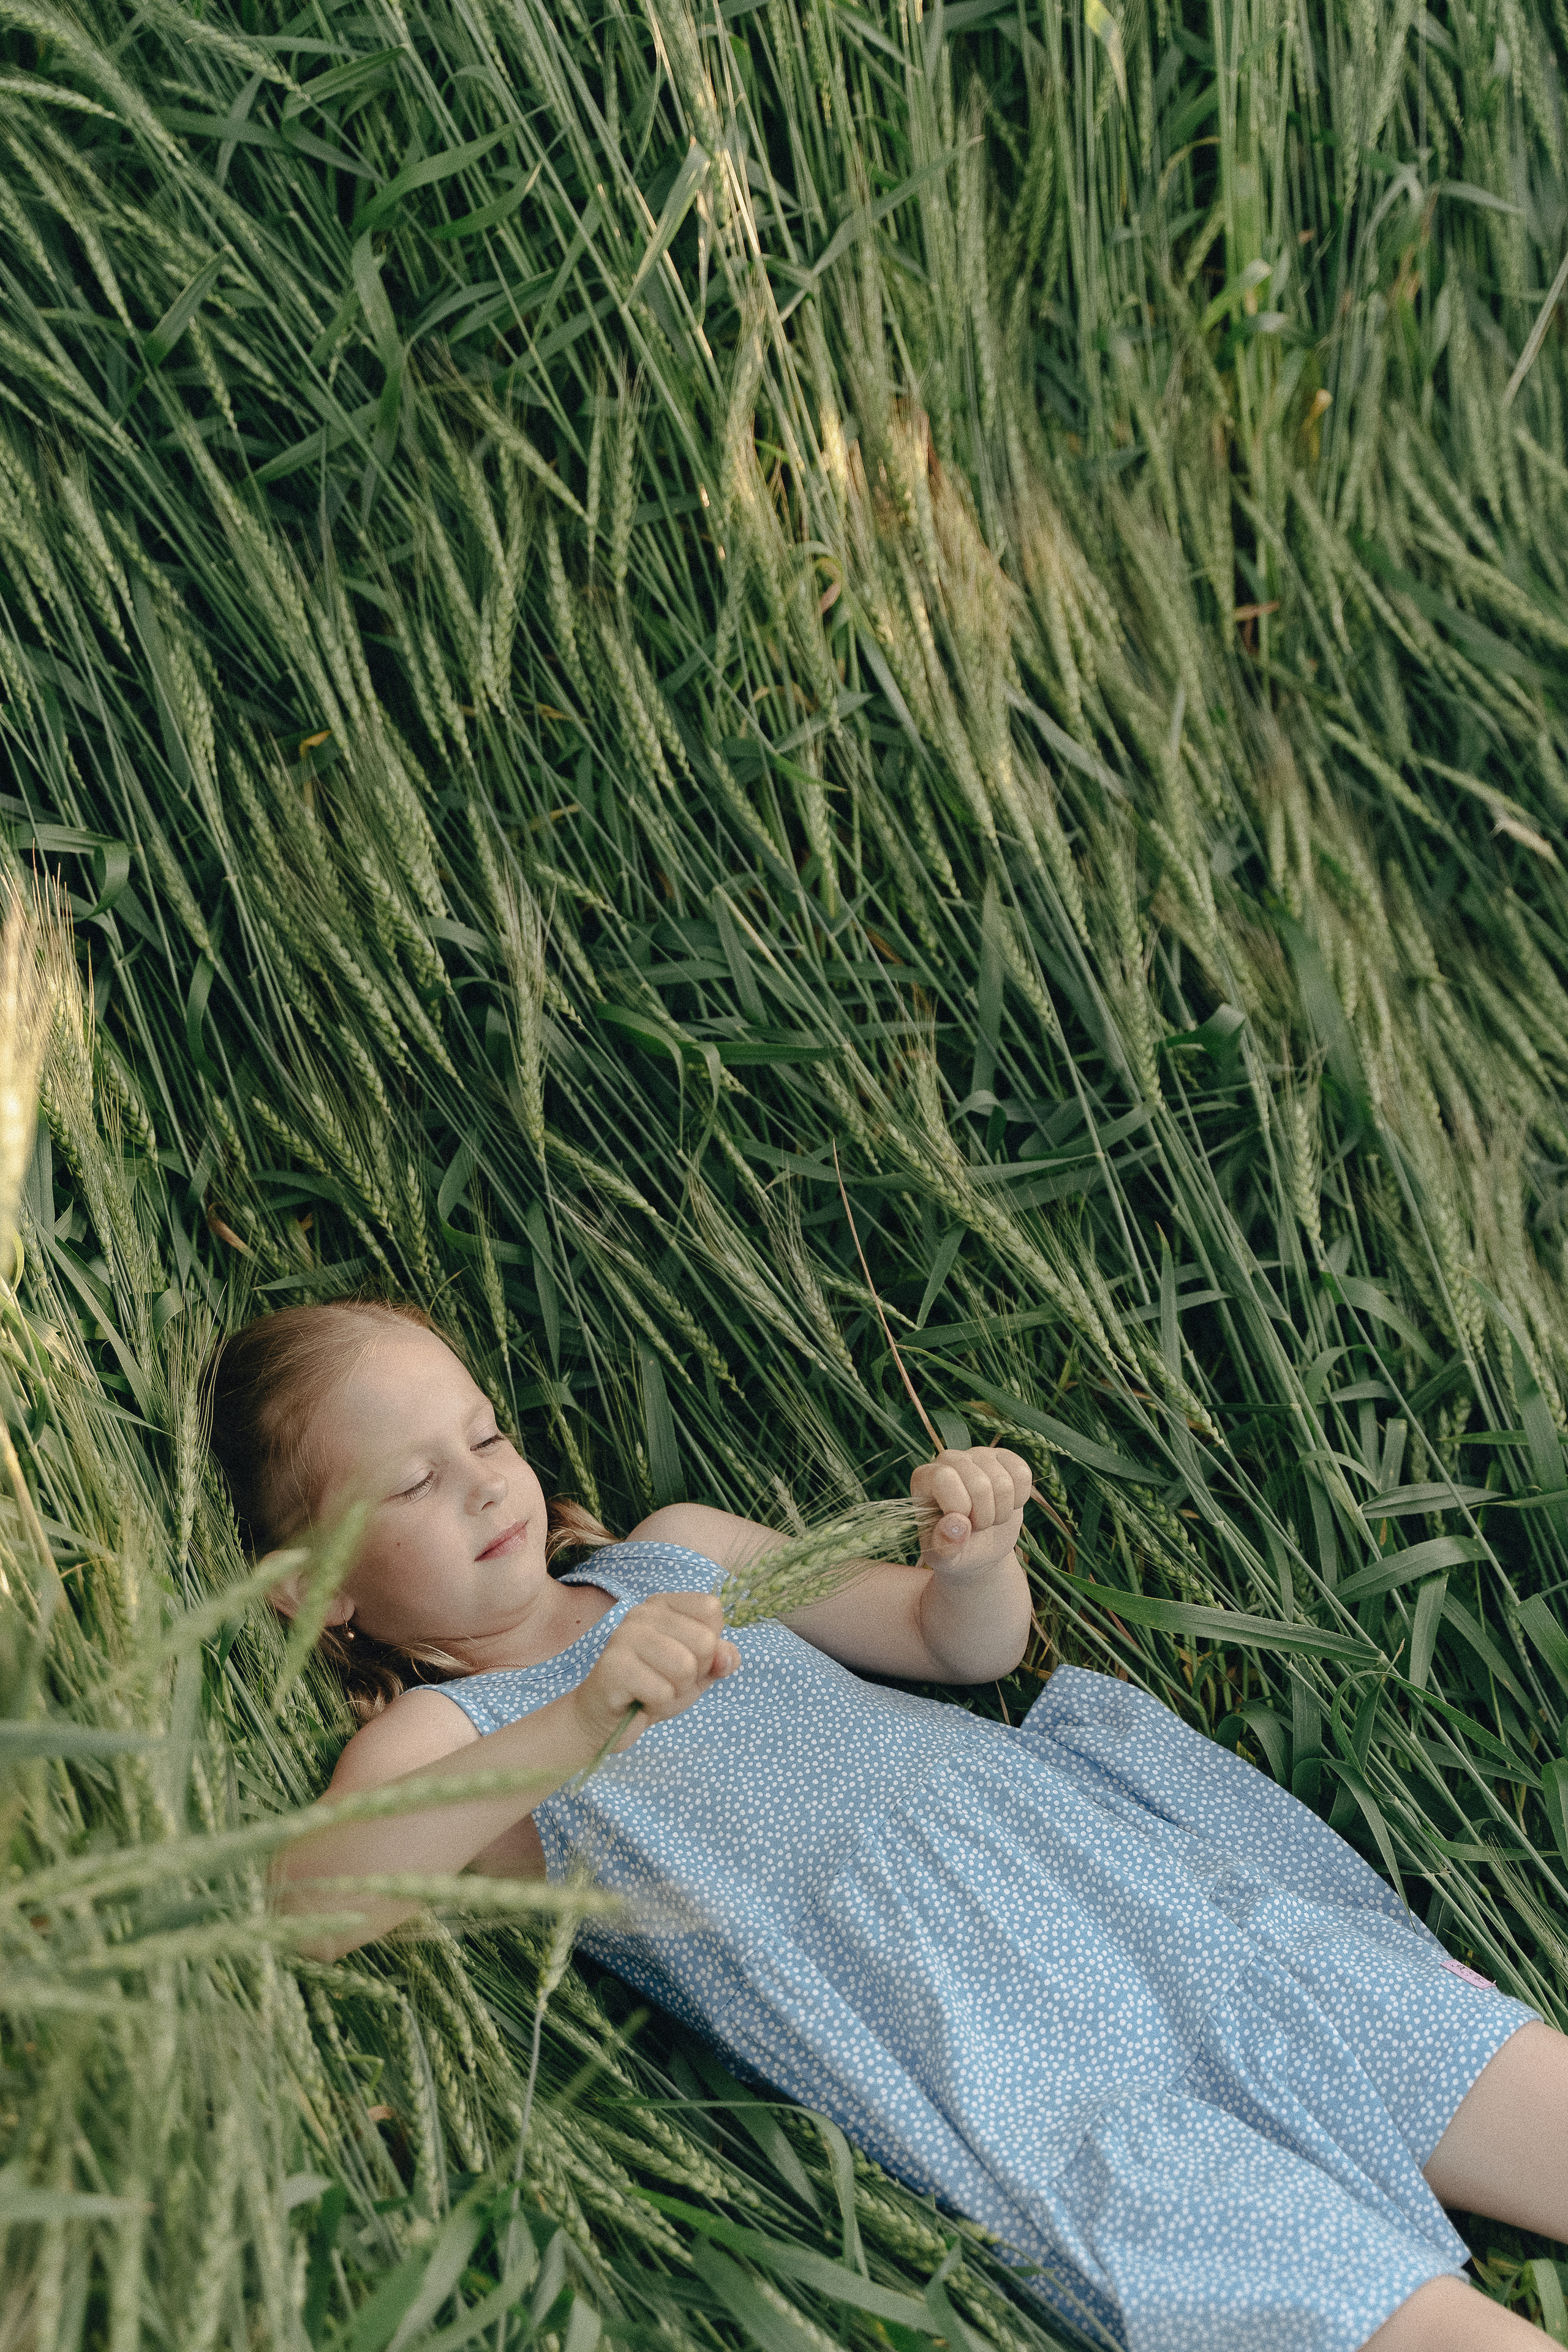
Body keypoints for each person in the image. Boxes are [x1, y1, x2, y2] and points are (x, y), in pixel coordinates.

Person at [209, 1297, 1567, 2352]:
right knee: (1299, 2281)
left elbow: (951, 1648)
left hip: (1116, 1886)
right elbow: (312, 1909)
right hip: (971, 2040)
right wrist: (572, 1729)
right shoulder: (446, 1736)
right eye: (409, 1485)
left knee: (1435, 2051)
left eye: (485, 1437)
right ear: (311, 1592)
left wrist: (974, 1562)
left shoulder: (676, 1554)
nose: (483, 1484)